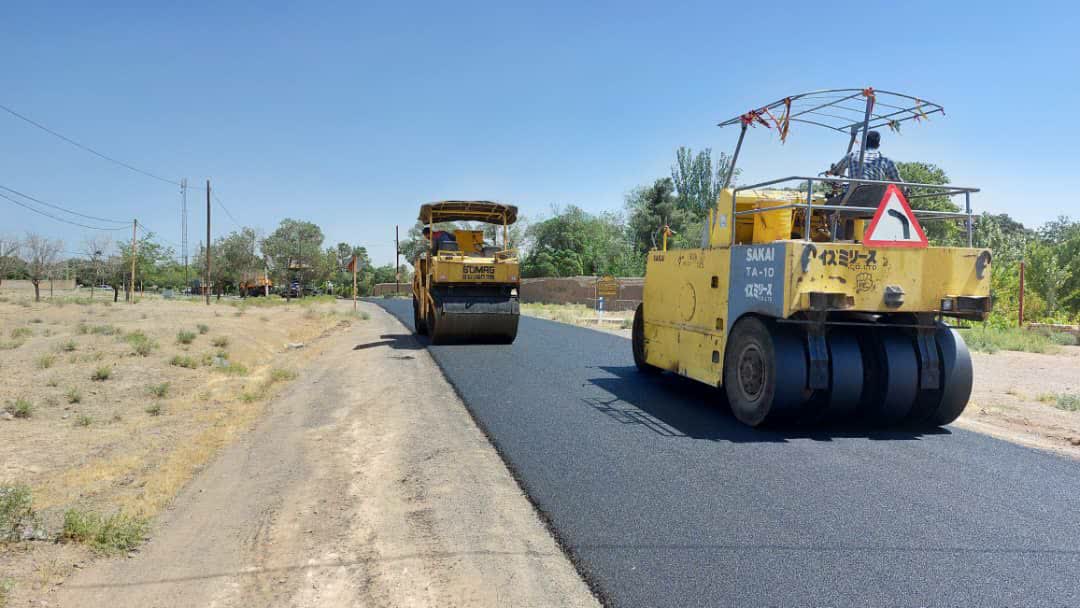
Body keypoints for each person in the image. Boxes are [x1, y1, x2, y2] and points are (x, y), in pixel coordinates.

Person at [830, 130, 901, 183]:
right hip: (875, 198)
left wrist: (831, 172)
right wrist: (905, 190)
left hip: (853, 195)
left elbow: (836, 170)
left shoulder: (851, 155)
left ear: (864, 143)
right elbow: (897, 181)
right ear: (878, 145)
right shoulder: (885, 160)